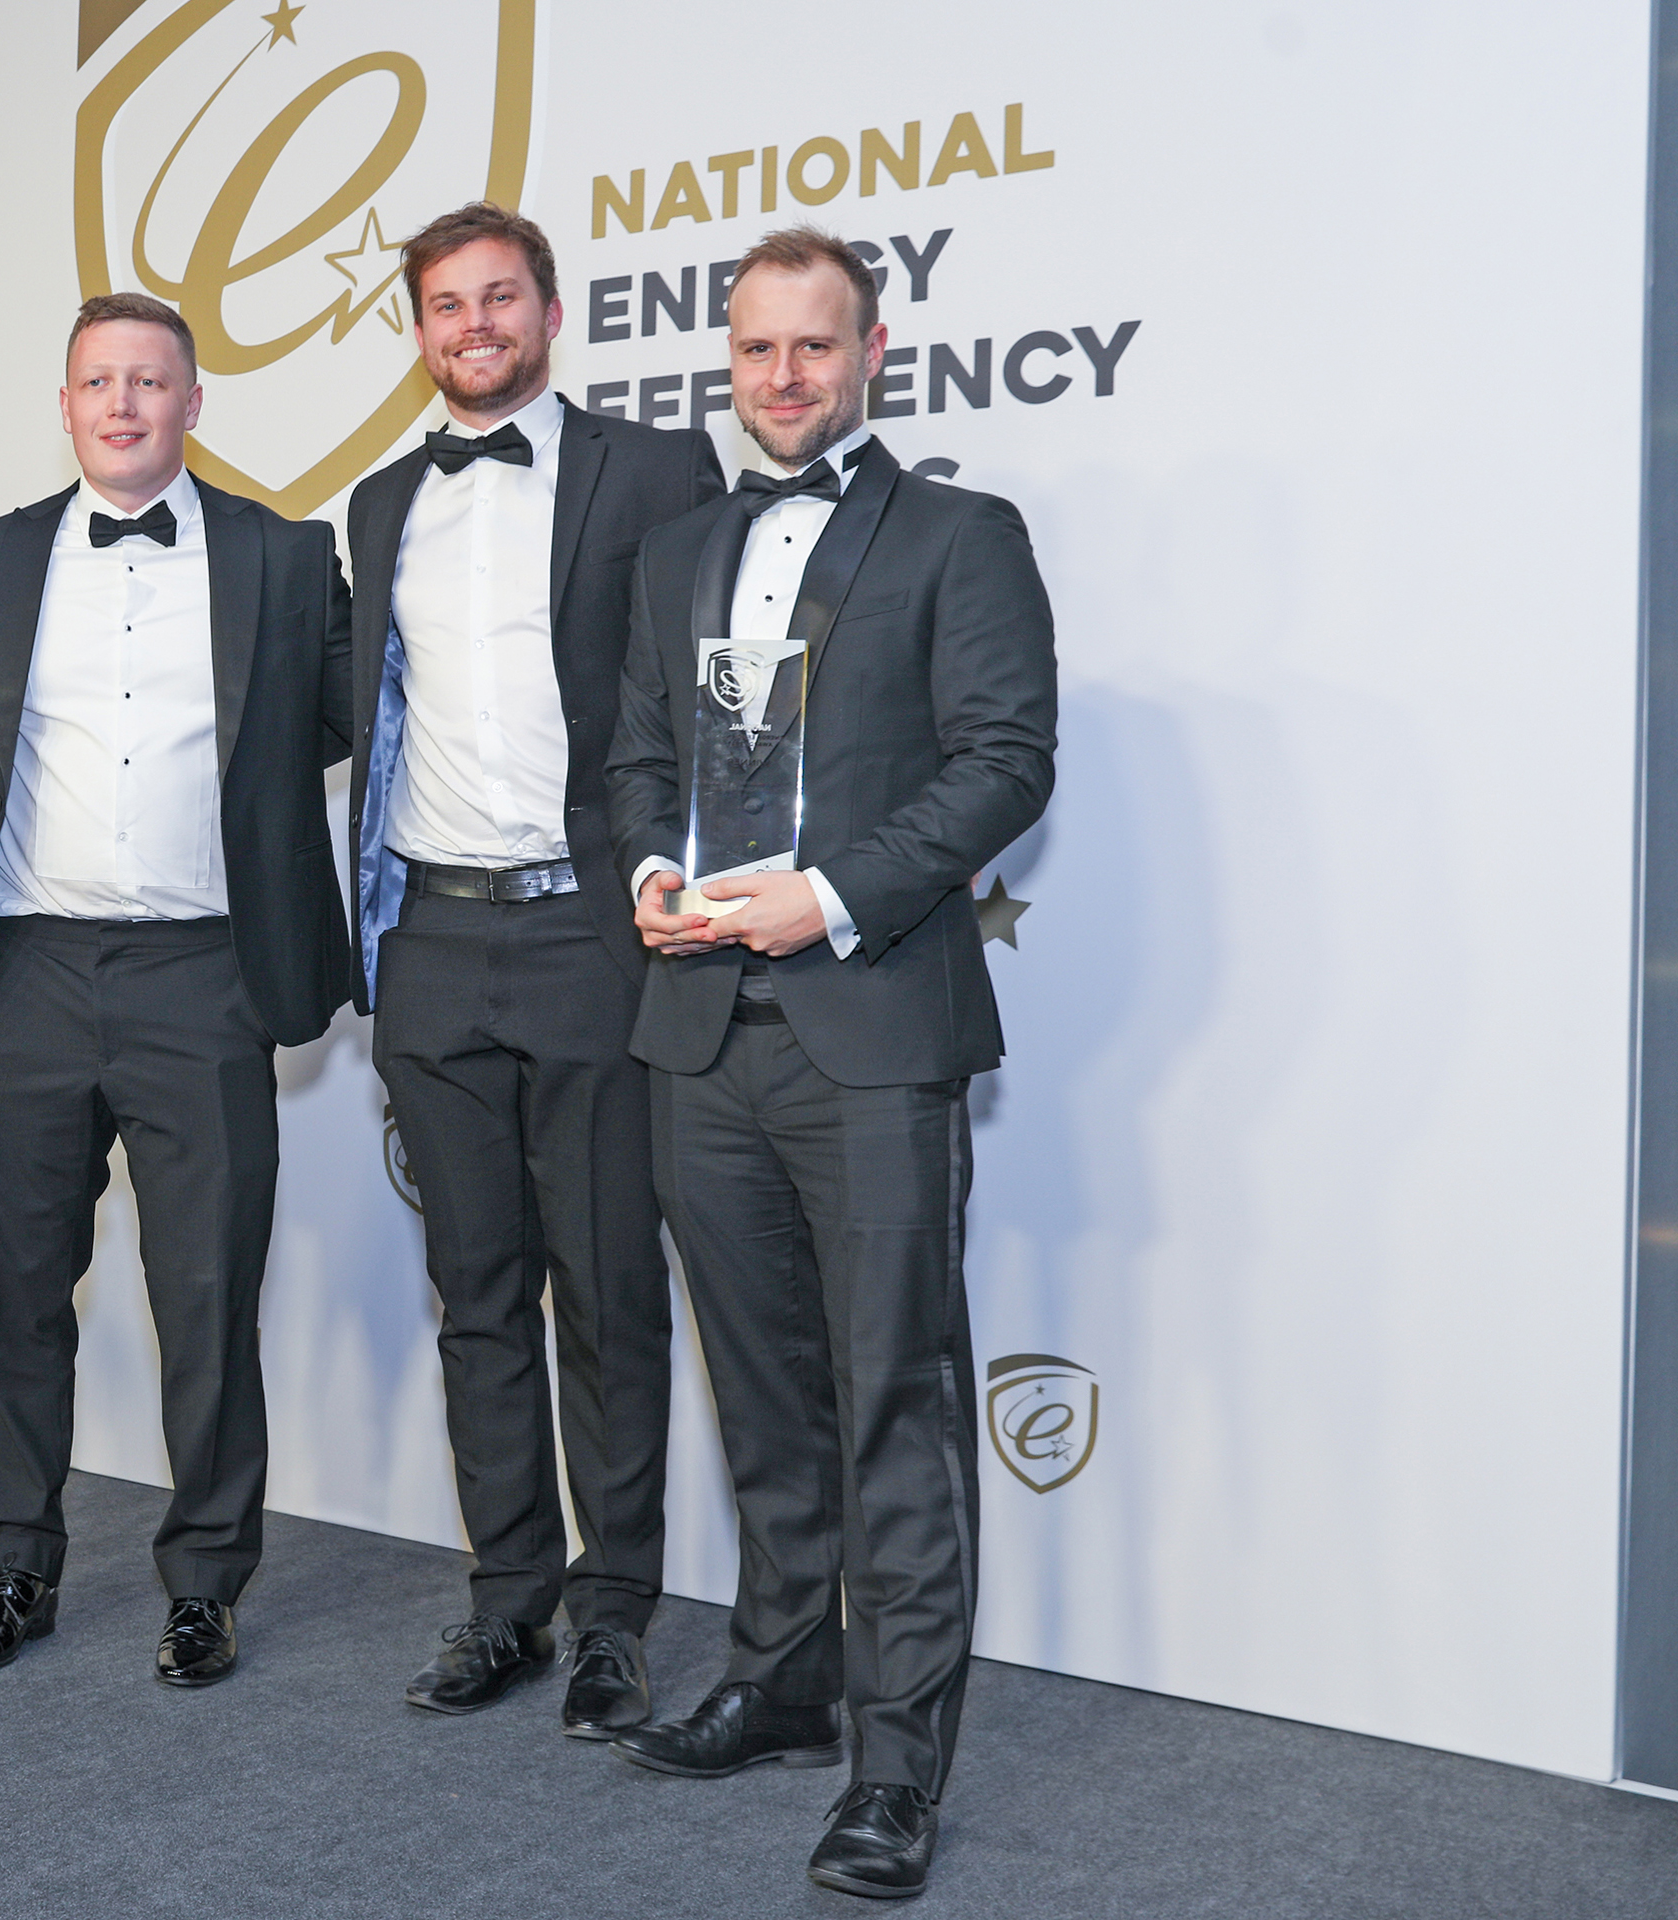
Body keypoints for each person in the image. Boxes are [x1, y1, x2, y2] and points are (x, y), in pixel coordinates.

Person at [603, 227, 1056, 1898]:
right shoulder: (680, 551)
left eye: (813, 345)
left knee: (895, 1399)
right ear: (725, 363)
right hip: (699, 1031)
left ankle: (897, 1764)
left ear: (872, 353)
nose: (782, 376)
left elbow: (1005, 761)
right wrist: (654, 872)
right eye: (754, 350)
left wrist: (834, 897)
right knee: (765, 1388)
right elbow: (638, 760)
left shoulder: (958, 536)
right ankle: (784, 1680)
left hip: (869, 1029)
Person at [0, 292, 352, 1688]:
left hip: (203, 976)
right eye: (99, 382)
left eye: (151, 382)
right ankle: (14, 1564)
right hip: (27, 973)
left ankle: (205, 1584)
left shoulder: (285, 558)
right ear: (63, 405)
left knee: (208, 1297)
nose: (123, 404)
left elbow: (347, 721)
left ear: (193, 404)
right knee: (17, 1294)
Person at [342, 202, 725, 1735]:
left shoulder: (656, 469)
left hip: (591, 929)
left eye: (500, 297)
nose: (475, 325)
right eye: (448, 304)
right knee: (476, 1290)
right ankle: (505, 1598)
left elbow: (714, 692)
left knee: (612, 1288)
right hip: (433, 936)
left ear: (550, 314)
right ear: (420, 330)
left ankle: (613, 1613)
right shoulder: (380, 502)